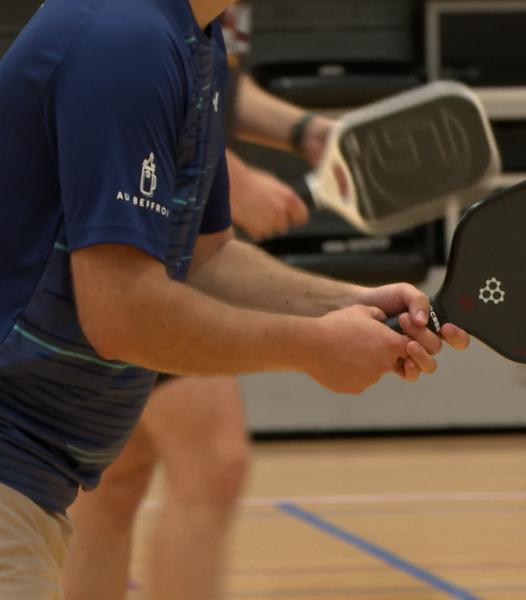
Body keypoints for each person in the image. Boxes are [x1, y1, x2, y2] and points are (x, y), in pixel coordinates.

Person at [0, 1, 469, 598]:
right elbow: (121, 314)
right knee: (208, 461)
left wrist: (349, 303)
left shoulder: (194, 39)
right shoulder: (126, 38)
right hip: (11, 463)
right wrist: (313, 348)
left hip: (37, 479)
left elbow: (205, 259)